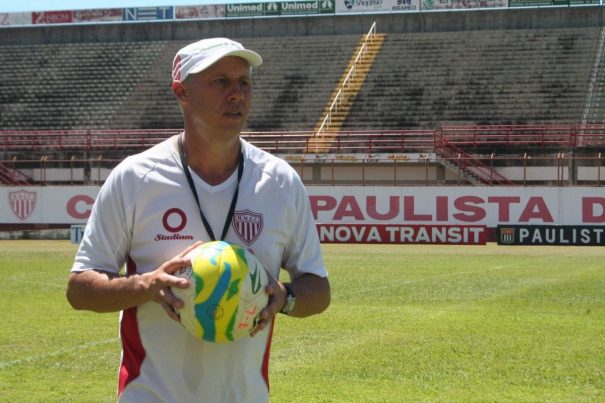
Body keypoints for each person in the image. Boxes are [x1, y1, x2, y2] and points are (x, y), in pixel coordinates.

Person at [66, 37, 330, 403]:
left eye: (244, 82)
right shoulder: (135, 177)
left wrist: (284, 297)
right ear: (182, 93)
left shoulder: (280, 181)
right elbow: (80, 288)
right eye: (220, 81)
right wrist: (146, 285)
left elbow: (318, 289)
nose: (237, 93)